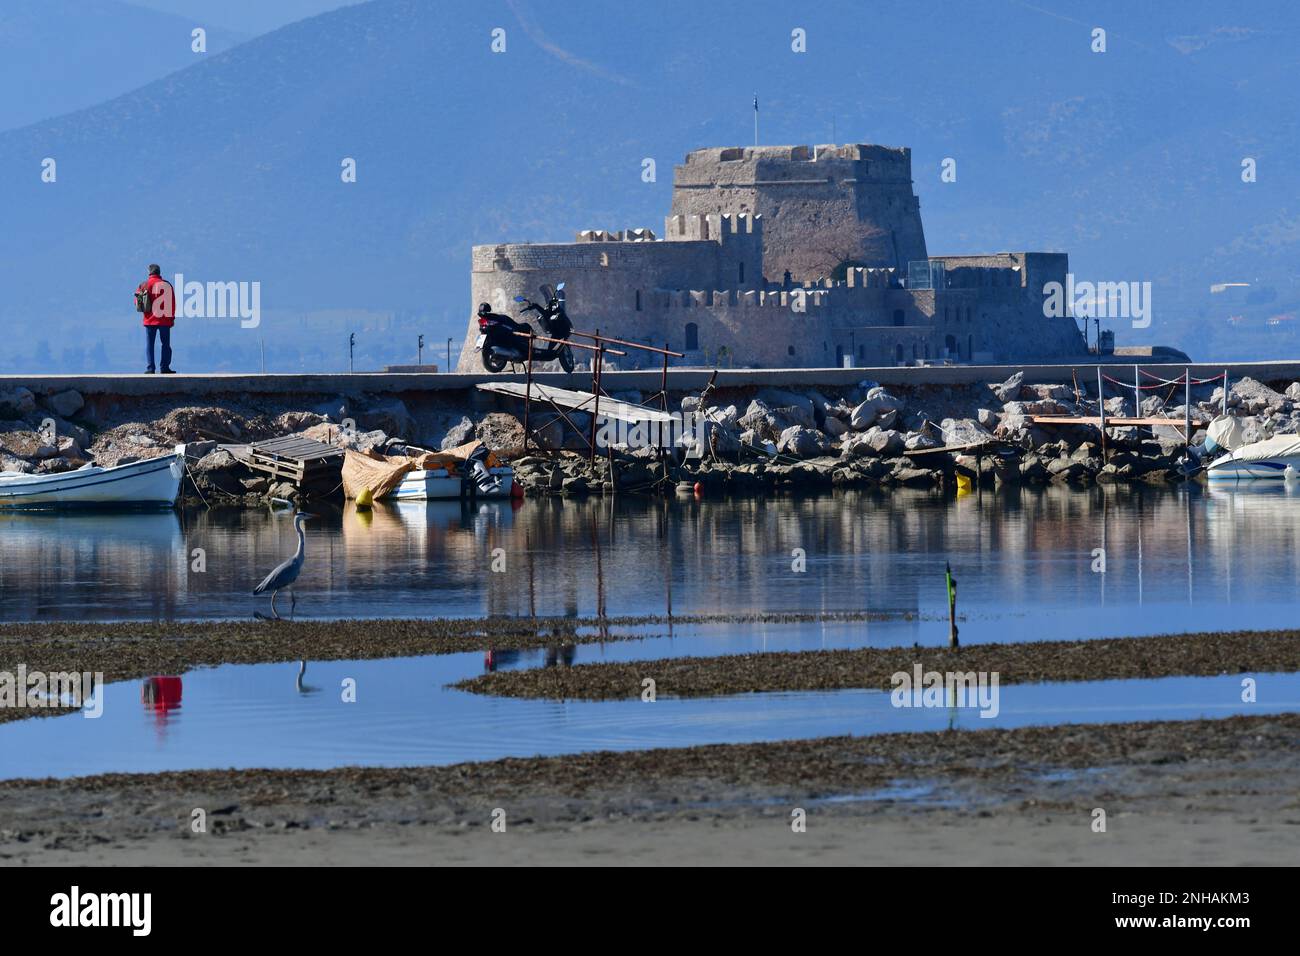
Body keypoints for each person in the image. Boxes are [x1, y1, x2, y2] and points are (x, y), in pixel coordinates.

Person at [135, 264, 176, 373]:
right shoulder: (167, 285)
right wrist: (171, 319)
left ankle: (150, 368)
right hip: (164, 320)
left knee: (150, 345)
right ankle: (165, 368)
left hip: (149, 320)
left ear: (149, 272)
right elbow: (172, 303)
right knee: (166, 345)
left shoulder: (144, 285)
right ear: (159, 272)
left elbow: (137, 302)